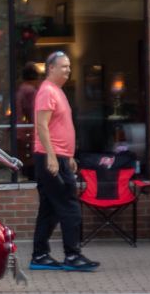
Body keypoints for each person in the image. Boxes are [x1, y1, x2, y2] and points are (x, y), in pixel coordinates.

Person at [30, 51, 99, 272]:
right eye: (64, 66)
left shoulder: (57, 91)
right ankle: (72, 256)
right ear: (51, 68)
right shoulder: (47, 92)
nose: (68, 70)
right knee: (70, 207)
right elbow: (41, 125)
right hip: (50, 158)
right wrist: (52, 156)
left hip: (59, 157)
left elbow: (59, 127)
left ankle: (40, 255)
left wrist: (68, 156)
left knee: (49, 209)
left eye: (69, 66)